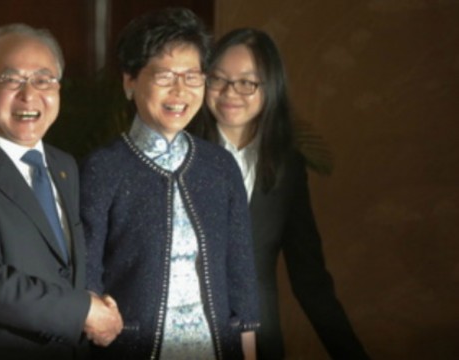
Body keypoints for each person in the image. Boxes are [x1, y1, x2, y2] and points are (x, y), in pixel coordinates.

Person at [0, 24, 123, 360]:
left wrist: (93, 303)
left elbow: (58, 265)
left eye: (43, 80)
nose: (29, 95)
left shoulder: (64, 165)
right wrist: (82, 311)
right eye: (11, 80)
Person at [81, 8, 260, 360]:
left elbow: (240, 273)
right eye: (164, 76)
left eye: (192, 77)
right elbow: (86, 274)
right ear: (130, 81)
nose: (180, 91)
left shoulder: (220, 166)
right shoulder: (102, 168)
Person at [188, 27, 370, 359]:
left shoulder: (287, 168)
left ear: (270, 87)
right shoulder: (178, 155)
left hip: (258, 342)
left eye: (247, 82)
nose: (231, 92)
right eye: (219, 79)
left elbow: (309, 277)